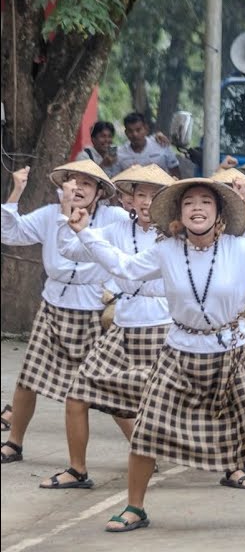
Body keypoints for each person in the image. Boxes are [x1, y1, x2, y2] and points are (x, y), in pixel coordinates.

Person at [58, 174, 245, 531]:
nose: (197, 208)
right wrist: (83, 231)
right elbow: (125, 267)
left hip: (234, 352)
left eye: (205, 202)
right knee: (147, 430)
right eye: (189, 203)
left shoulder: (239, 248)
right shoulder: (166, 250)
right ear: (179, 213)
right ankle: (134, 508)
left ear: (219, 213)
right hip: (178, 352)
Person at [36, 165, 176, 490]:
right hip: (122, 325)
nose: (145, 201)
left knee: (184, 402)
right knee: (78, 394)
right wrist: (70, 220)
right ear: (130, 199)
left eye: (154, 196)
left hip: (162, 327)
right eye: (140, 194)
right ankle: (77, 469)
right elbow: (70, 249)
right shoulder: (117, 230)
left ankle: (232, 465)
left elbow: (130, 268)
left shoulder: (174, 237)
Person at [1, 161, 130, 465]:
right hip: (54, 304)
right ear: (63, 187)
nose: (79, 187)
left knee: (108, 386)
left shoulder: (115, 218)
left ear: (100, 192)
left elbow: (134, 246)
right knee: (27, 380)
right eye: (74, 181)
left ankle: (145, 448)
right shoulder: (50, 214)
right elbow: (10, 233)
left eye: (88, 183)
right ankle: (13, 443)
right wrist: (16, 192)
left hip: (96, 309)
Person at [115, 113, 181, 178]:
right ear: (126, 133)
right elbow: (116, 180)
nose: (135, 134)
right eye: (130, 131)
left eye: (138, 130)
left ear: (146, 129)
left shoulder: (161, 143)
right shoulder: (120, 153)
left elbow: (176, 174)